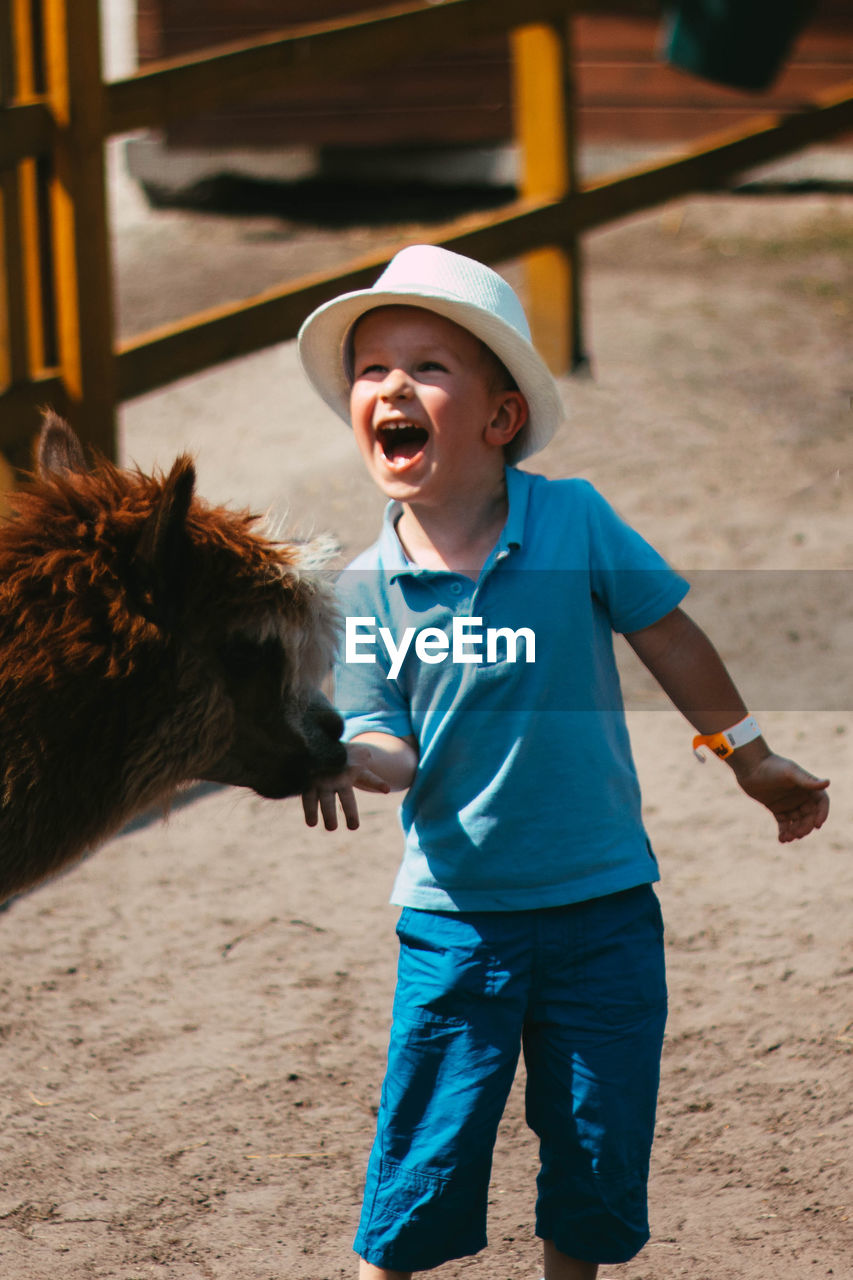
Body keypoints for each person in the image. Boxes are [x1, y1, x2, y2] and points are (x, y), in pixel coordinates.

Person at [296, 244, 830, 1280]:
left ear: (501, 419)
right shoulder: (363, 587)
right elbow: (388, 745)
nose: (392, 387)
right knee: (423, 1153)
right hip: (455, 922)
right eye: (371, 369)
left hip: (603, 907)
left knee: (592, 1150)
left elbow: (668, 634)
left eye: (428, 365)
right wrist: (337, 755)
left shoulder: (573, 520)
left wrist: (748, 755)